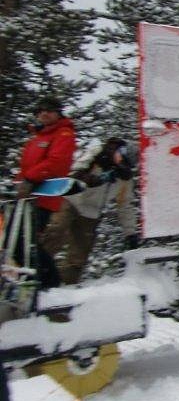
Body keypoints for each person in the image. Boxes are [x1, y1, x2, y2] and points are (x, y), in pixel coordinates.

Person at [40, 138, 136, 284]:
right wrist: (92, 179)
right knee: (55, 232)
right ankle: (37, 272)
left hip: (91, 212)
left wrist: (130, 233)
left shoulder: (124, 178)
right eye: (120, 157)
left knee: (79, 254)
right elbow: (74, 169)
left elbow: (125, 205)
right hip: (71, 199)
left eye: (125, 163)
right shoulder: (97, 153)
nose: (120, 162)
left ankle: (66, 285)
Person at [14, 97, 75, 289]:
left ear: (58, 113)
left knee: (23, 243)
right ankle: (37, 282)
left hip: (42, 197)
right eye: (40, 111)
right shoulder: (38, 138)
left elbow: (57, 163)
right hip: (26, 197)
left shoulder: (63, 134)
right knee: (19, 243)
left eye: (49, 110)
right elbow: (26, 167)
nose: (44, 113)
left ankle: (49, 285)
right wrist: (18, 183)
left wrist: (30, 179)